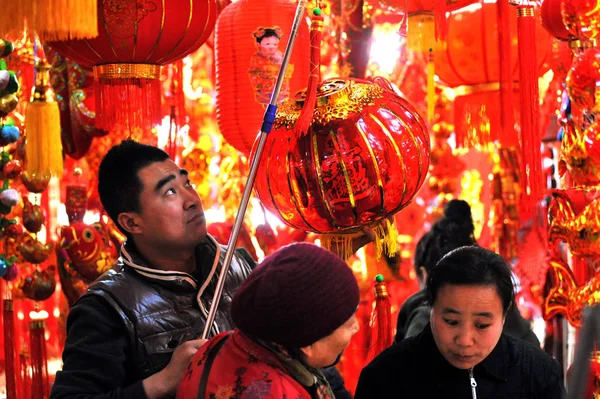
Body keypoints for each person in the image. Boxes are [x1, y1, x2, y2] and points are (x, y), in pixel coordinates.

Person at [50, 140, 358, 399]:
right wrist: (161, 382)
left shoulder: (241, 265)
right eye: (169, 192)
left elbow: (306, 360)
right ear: (132, 222)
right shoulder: (107, 307)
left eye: (187, 183)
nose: (191, 200)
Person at [355, 246, 566, 398]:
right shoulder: (385, 377)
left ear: (504, 316)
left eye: (482, 325)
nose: (464, 340)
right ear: (431, 308)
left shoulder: (538, 374)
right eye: (451, 321)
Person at [176, 242, 360, 399]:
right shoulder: (279, 392)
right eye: (348, 322)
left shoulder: (220, 344)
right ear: (309, 343)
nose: (356, 327)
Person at [395, 199, 540, 347]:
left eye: (481, 325)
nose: (465, 341)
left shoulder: (424, 319)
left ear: (425, 275)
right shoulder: (514, 321)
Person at [247, 26, 293, 105]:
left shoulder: (280, 56)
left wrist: (280, 61)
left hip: (282, 96)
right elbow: (260, 74)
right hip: (265, 97)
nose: (271, 47)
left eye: (275, 44)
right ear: (258, 44)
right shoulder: (257, 59)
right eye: (267, 44)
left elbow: (288, 73)